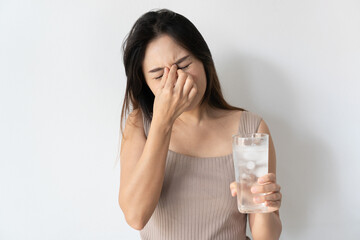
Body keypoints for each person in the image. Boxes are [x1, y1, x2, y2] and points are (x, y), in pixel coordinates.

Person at [118, 9, 282, 240]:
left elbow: (266, 236)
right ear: (146, 84)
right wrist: (163, 121)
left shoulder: (250, 130)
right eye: (158, 76)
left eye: (184, 65)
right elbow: (135, 216)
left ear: (204, 61)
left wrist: (264, 203)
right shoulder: (140, 124)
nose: (176, 80)